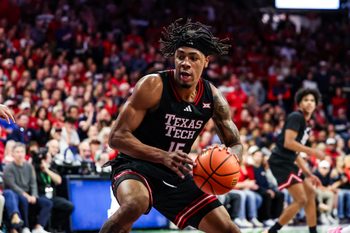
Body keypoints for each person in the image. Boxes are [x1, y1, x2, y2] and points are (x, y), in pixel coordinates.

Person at [99, 19, 243, 233]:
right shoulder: (153, 85)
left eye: (193, 58)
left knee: (229, 230)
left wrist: (230, 160)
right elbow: (117, 138)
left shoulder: (212, 97)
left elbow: (235, 143)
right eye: (180, 56)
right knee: (134, 205)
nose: (185, 62)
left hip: (175, 171)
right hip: (135, 164)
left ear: (206, 62)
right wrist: (162, 155)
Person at [265, 88, 325, 233]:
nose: (309, 103)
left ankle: (313, 231)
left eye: (312, 100)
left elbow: (296, 152)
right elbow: (288, 143)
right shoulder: (296, 117)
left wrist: (308, 173)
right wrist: (313, 151)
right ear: (299, 104)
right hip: (280, 161)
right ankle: (272, 231)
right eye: (306, 100)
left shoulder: (306, 124)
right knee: (301, 200)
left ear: (316, 104)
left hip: (289, 161)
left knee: (310, 192)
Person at [3, 143, 52, 233]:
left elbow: (33, 183)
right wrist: (27, 196)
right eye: (17, 152)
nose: (20, 154)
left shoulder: (29, 166)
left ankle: (39, 227)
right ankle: (25, 227)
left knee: (47, 203)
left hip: (29, 194)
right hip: (16, 194)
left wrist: (34, 195)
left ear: (25, 153)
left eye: (22, 152)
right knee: (23, 200)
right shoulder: (8, 168)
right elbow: (12, 186)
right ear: (13, 154)